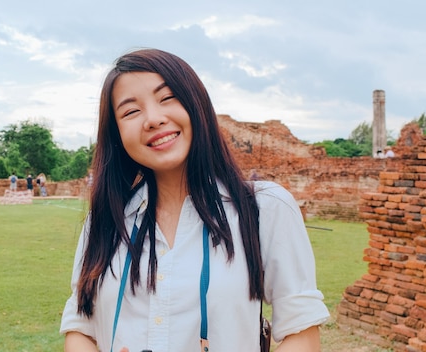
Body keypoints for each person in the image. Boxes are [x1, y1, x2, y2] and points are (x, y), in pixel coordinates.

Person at [60, 48, 329, 352]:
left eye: (167, 97)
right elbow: (81, 326)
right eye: (131, 111)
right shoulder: (107, 220)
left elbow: (301, 331)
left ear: (196, 103)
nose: (153, 119)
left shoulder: (264, 208)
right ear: (117, 134)